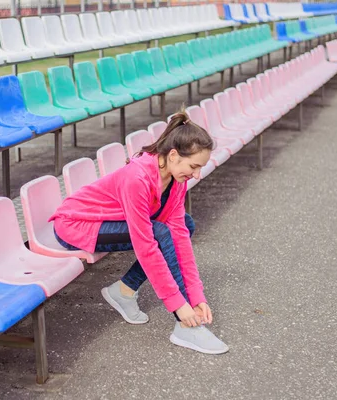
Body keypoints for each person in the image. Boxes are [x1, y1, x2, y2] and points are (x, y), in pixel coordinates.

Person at [49, 110, 228, 355]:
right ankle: (185, 326)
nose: (197, 174)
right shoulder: (137, 178)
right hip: (75, 224)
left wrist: (197, 297)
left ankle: (124, 291)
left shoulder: (177, 179)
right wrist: (180, 305)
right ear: (173, 155)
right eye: (194, 166)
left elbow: (180, 238)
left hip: (108, 221)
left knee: (184, 226)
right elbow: (146, 246)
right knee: (158, 233)